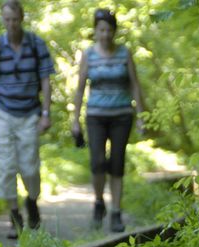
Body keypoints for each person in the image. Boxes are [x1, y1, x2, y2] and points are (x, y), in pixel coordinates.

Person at [0, 0, 55, 238]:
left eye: (15, 20)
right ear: (3, 20)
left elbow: (46, 81)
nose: (11, 24)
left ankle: (32, 201)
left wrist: (46, 114)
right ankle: (15, 217)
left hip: (30, 113)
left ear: (22, 18)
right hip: (3, 113)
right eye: (7, 20)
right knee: (5, 167)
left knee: (29, 167)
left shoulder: (36, 44)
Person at [71, 7, 146, 233]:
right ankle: (98, 202)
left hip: (122, 115)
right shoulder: (89, 55)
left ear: (114, 31)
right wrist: (74, 119)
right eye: (101, 30)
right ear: (95, 31)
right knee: (97, 163)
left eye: (109, 30)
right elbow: (80, 88)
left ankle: (115, 212)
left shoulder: (125, 53)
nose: (105, 34)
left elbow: (135, 85)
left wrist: (142, 117)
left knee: (117, 163)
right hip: (95, 116)